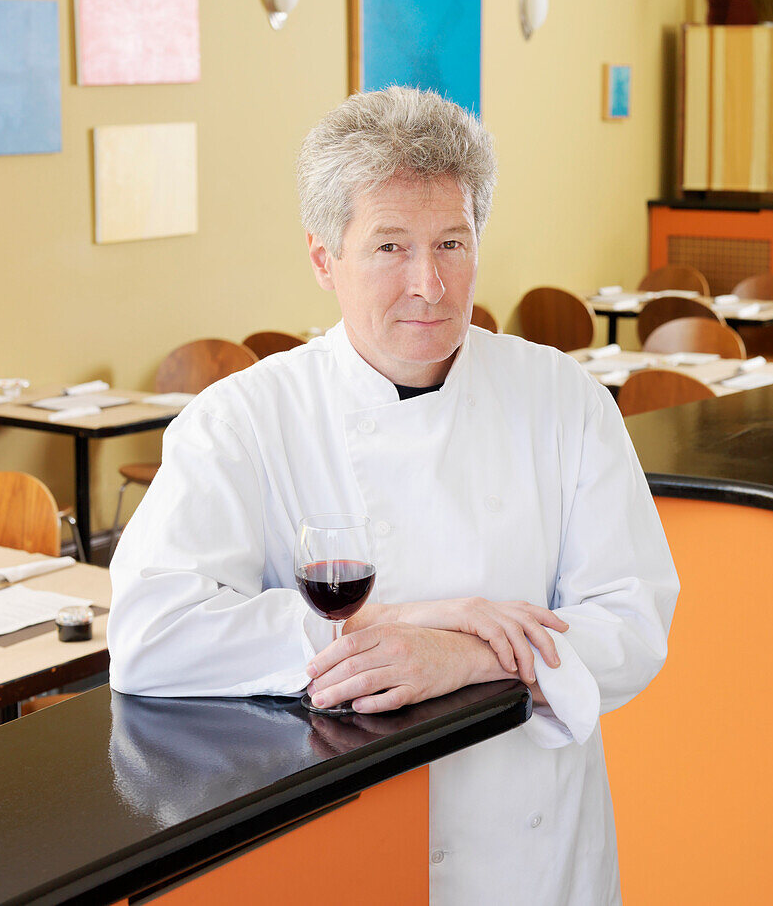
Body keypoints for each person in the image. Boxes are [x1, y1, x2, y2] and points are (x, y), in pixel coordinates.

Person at [108, 86, 679, 905]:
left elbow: (632, 620)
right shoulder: (244, 419)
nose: (430, 284)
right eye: (388, 247)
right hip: (344, 844)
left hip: (536, 851)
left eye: (452, 241)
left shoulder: (562, 397)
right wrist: (388, 626)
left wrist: (472, 655)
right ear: (321, 258)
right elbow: (150, 634)